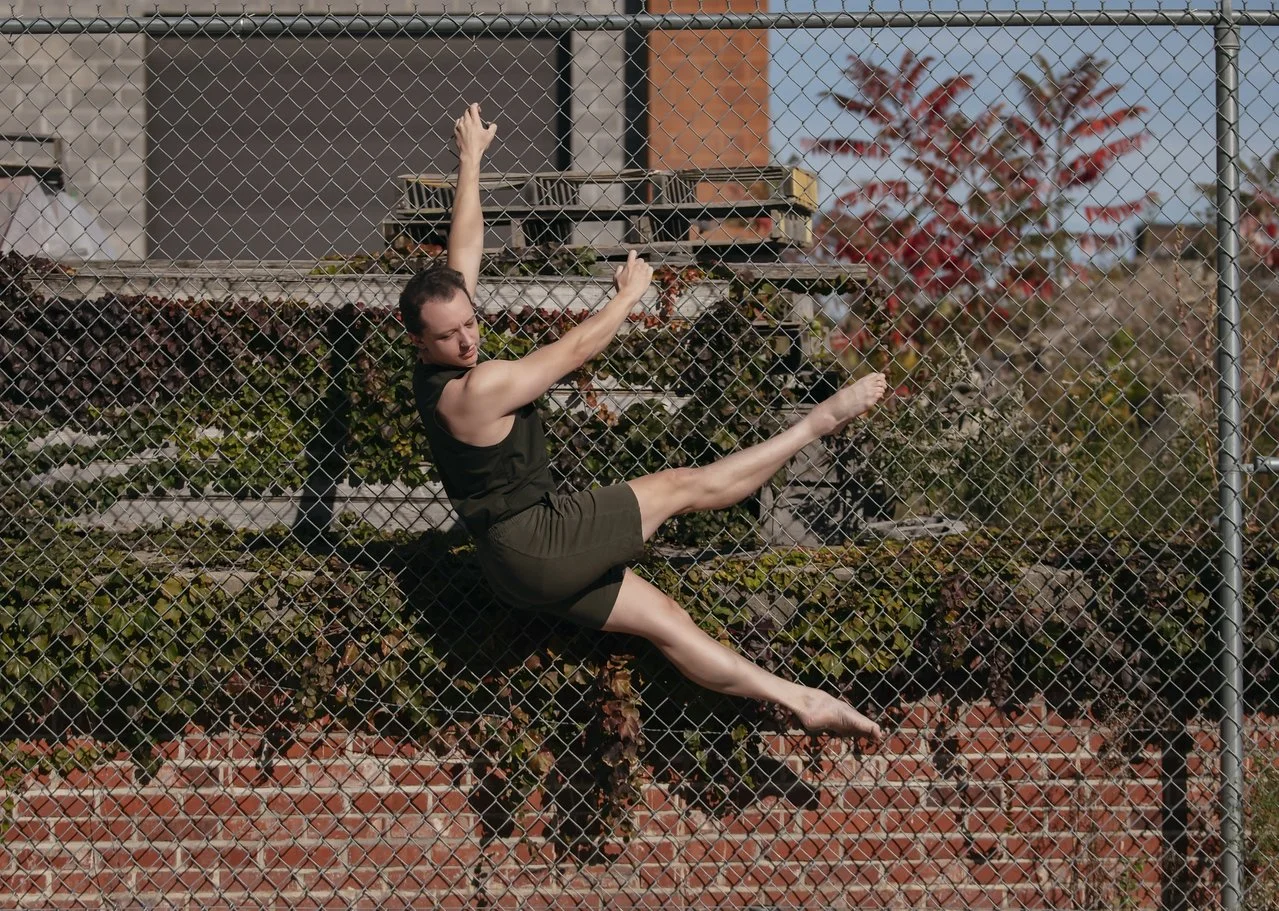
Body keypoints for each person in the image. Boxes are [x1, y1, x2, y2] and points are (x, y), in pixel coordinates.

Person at [399, 103, 888, 739]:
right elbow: (571, 352)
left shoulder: (437, 358)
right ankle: (817, 423)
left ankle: (798, 700)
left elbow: (464, 255)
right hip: (536, 538)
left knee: (664, 619)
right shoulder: (478, 388)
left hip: (512, 563)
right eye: (450, 335)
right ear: (418, 341)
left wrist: (469, 162)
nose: (468, 339)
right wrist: (627, 298)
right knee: (680, 485)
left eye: (471, 322)